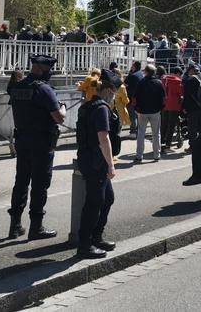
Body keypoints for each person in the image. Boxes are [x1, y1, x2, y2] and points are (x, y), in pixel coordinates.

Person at [7, 54, 65, 240]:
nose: (50, 73)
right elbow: (59, 117)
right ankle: (36, 227)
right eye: (48, 69)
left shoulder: (18, 86)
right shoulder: (43, 89)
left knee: (21, 182)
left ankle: (15, 226)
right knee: (40, 184)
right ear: (40, 68)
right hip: (41, 142)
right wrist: (62, 108)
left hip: (22, 140)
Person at [75, 70, 118, 259]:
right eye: (115, 91)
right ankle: (84, 244)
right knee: (94, 202)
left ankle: (96, 237)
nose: (115, 94)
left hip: (88, 157)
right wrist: (111, 164)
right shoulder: (101, 108)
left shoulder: (87, 105)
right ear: (108, 90)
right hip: (96, 161)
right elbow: (103, 138)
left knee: (107, 198)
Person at [132, 64, 165, 163]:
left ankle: (139, 155)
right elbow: (163, 98)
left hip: (142, 111)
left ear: (145, 72)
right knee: (156, 133)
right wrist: (161, 108)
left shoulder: (141, 82)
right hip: (155, 111)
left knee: (141, 134)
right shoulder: (159, 83)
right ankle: (156, 155)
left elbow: (135, 97)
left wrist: (136, 108)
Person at [181, 62, 201, 151]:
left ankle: (193, 147)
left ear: (191, 71)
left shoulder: (191, 80)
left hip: (193, 108)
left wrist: (184, 107)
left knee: (192, 128)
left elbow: (187, 95)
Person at [161, 70, 184, 151]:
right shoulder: (177, 81)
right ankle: (167, 145)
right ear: (178, 74)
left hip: (164, 105)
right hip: (174, 106)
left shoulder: (163, 79)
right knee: (171, 126)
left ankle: (162, 144)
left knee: (164, 124)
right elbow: (181, 94)